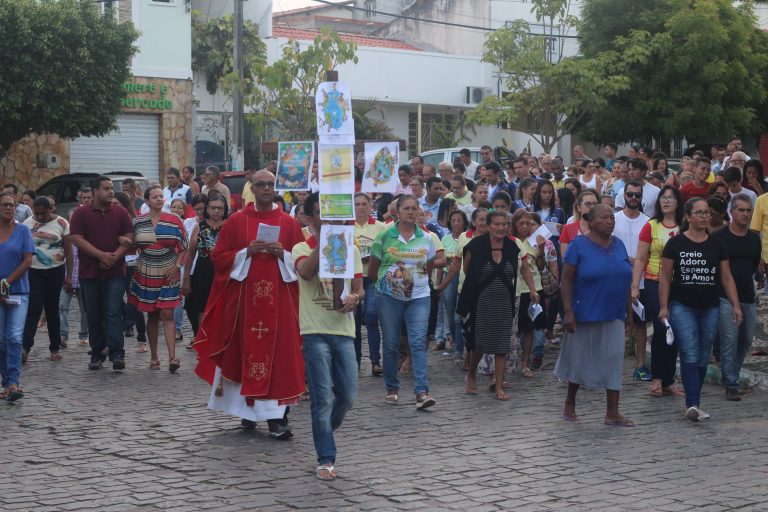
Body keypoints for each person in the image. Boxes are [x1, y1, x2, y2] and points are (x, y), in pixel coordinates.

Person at [194, 170, 305, 438]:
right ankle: (246, 412)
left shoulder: (289, 224)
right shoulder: (237, 222)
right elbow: (219, 257)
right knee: (242, 353)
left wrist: (284, 255)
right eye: (261, 185)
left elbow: (303, 259)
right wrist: (247, 252)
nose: (266, 188)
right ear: (252, 189)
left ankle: (277, 419)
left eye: (270, 184)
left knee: (280, 356)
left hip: (279, 304)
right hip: (244, 304)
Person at [292, 192, 363, 481]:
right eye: (322, 212)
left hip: (343, 329)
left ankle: (323, 430)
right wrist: (325, 239)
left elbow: (359, 287)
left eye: (332, 212)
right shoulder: (299, 247)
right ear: (309, 217)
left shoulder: (352, 248)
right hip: (314, 331)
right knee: (322, 398)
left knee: (347, 396)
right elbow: (307, 274)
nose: (328, 217)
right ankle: (326, 457)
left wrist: (355, 298)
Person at [660, 198, 743, 422]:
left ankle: (694, 401)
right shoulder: (675, 244)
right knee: (689, 350)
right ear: (688, 217)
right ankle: (692, 404)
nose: (705, 216)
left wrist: (735, 305)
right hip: (681, 305)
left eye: (706, 213)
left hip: (710, 306)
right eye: (699, 213)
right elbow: (666, 277)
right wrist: (664, 306)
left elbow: (726, 277)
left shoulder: (716, 245)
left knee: (703, 353)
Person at [554, 204, 634, 427]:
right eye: (604, 218)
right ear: (591, 220)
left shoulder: (618, 245)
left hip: (614, 311)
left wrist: (629, 312)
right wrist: (568, 312)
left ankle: (612, 412)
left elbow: (625, 280)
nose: (610, 221)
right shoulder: (578, 245)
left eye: (612, 218)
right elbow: (566, 280)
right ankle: (570, 401)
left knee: (614, 358)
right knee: (580, 358)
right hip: (586, 311)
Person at [369, 195, 440, 409]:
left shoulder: (427, 238)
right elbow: (373, 270)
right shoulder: (384, 237)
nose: (411, 212)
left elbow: (428, 265)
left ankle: (421, 392)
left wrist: (414, 282)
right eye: (406, 208)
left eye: (414, 208)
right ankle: (392, 388)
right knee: (390, 343)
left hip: (419, 297)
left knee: (417, 342)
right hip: (389, 298)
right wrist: (389, 285)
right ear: (397, 213)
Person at [459, 211, 534, 400]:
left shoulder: (512, 247)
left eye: (504, 224)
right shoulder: (475, 246)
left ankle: (499, 386)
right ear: (489, 226)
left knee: (502, 344)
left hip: (505, 301)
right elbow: (467, 269)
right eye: (497, 224)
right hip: (480, 301)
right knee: (478, 343)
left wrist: (533, 290)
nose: (501, 228)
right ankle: (472, 374)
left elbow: (522, 269)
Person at [69, 176, 134, 371]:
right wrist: (101, 256)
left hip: (115, 272)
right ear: (95, 190)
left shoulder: (121, 212)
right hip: (89, 273)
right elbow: (76, 239)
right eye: (106, 188)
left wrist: (113, 257)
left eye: (111, 188)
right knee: (94, 314)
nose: (111, 191)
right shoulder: (81, 214)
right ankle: (97, 353)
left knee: (113, 311)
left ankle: (117, 353)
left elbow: (129, 236)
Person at [127, 186, 187, 372]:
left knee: (167, 313)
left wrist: (176, 266)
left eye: (161, 196)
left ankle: (172, 357)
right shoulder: (138, 222)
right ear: (147, 201)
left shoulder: (174, 220)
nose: (160, 199)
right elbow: (132, 245)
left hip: (169, 270)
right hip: (146, 271)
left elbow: (183, 246)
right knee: (152, 315)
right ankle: (154, 357)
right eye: (155, 197)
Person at [631, 185, 684, 397]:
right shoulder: (651, 226)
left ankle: (669, 380)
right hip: (654, 282)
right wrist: (635, 285)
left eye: (671, 197)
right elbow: (641, 258)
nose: (666, 201)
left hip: (679, 285)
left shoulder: (684, 226)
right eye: (663, 197)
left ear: (678, 202)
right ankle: (657, 377)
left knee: (676, 330)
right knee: (663, 328)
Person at [713, 194, 760, 401]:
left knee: (746, 339)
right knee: (730, 339)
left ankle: (731, 373)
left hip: (748, 295)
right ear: (732, 212)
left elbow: (754, 265)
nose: (745, 214)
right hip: (724, 296)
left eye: (748, 210)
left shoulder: (752, 238)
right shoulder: (720, 237)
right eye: (741, 210)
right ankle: (731, 382)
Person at [21, 197, 72, 363]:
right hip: (33, 271)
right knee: (33, 309)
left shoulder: (62, 223)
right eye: (37, 213)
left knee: (52, 309)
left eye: (43, 213)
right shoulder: (27, 224)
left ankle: (55, 347)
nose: (40, 217)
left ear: (51, 209)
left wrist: (69, 275)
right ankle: (25, 347)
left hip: (55, 271)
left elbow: (69, 251)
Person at [613, 181, 652, 380]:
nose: (633, 198)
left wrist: (639, 262)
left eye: (637, 195)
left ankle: (640, 365)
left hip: (642, 280)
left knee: (640, 324)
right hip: (617, 280)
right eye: (630, 194)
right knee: (614, 324)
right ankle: (612, 367)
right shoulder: (613, 219)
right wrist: (628, 259)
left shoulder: (648, 221)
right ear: (624, 195)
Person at [0, 192, 34, 401]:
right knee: (0, 340)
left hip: (18, 292)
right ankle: (6, 381)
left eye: (12, 205)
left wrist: (6, 283)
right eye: (4, 205)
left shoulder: (22, 230)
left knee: (13, 337)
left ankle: (13, 383)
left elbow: (27, 261)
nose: (9, 208)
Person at [509, 210, 547, 378]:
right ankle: (511, 361)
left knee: (530, 328)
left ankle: (526, 363)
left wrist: (541, 249)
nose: (525, 227)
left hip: (534, 288)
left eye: (529, 223)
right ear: (515, 225)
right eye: (521, 223)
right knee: (514, 328)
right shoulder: (511, 242)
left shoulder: (534, 242)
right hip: (516, 289)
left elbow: (539, 266)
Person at [352, 193, 387, 375]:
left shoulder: (381, 227)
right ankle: (355, 361)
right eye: (357, 204)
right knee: (354, 321)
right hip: (354, 277)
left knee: (372, 315)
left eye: (364, 204)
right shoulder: (347, 227)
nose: (361, 207)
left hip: (373, 276)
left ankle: (375, 361)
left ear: (370, 206)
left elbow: (386, 250)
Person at [182, 194, 223, 342]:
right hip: (202, 271)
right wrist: (186, 278)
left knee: (221, 309)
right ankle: (202, 341)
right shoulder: (199, 227)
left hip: (223, 272)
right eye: (213, 208)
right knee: (200, 308)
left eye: (220, 208)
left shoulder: (229, 225)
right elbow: (190, 254)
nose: (216, 211)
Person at [559, 190, 598, 257]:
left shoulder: (602, 228)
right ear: (579, 207)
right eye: (588, 204)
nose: (592, 207)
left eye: (595, 204)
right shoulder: (568, 229)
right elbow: (564, 258)